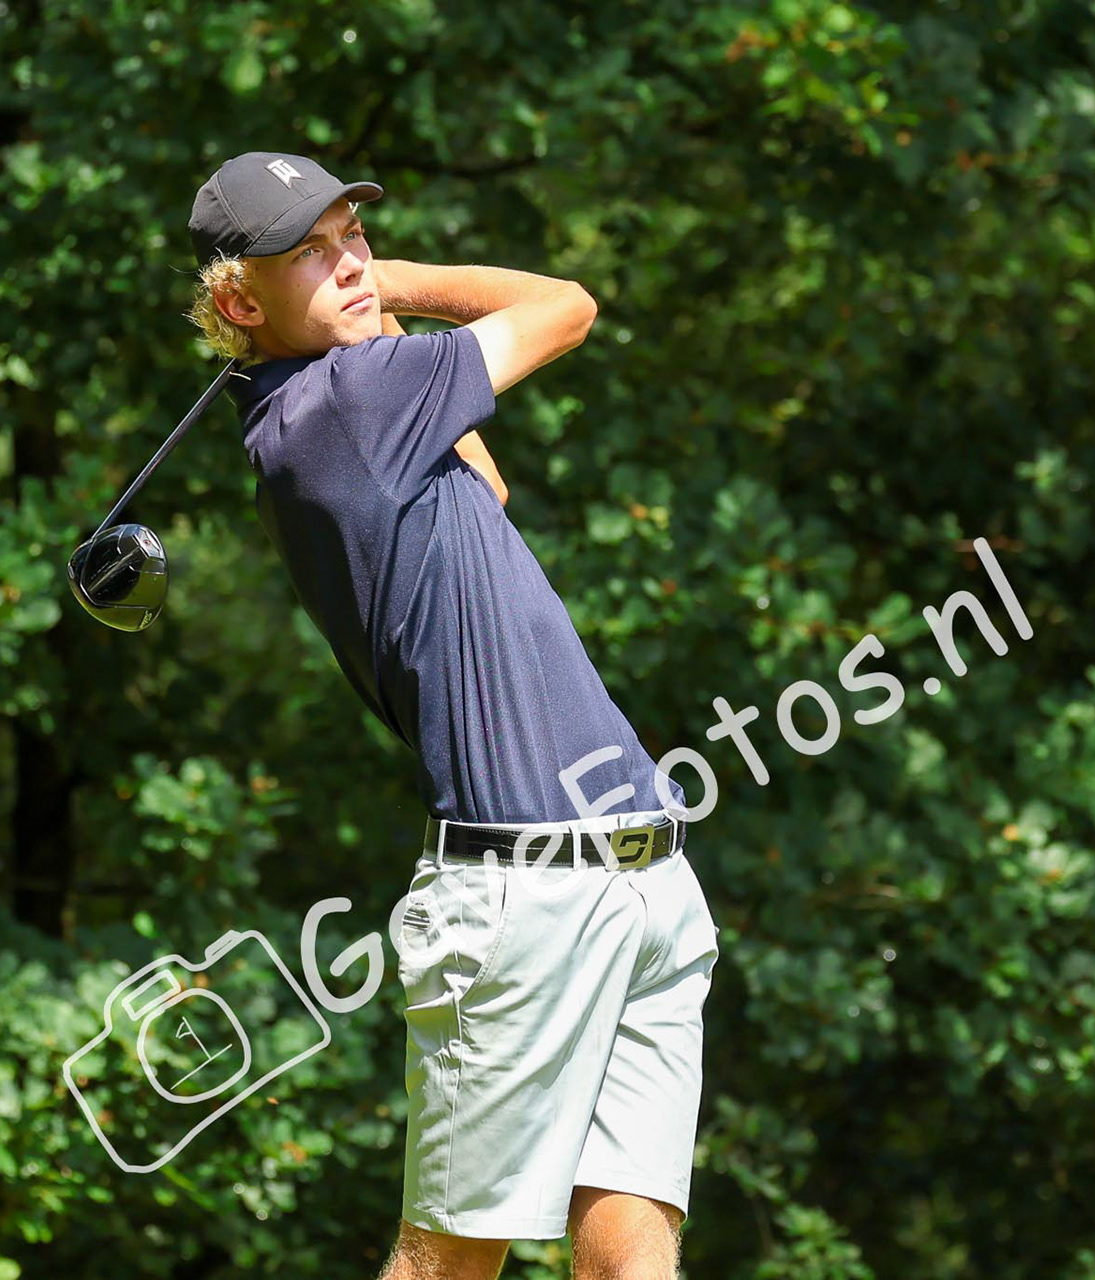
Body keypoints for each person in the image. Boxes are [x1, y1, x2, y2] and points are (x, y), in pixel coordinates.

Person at [185, 151, 722, 1280]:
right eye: (311, 253)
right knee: (447, 1263)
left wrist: (358, 304)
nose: (350, 263)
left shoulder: (346, 403)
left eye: (355, 236)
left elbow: (488, 481)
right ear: (240, 303)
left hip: (643, 876)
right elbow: (565, 307)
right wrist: (400, 286)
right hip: (525, 896)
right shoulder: (346, 405)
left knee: (633, 1253)